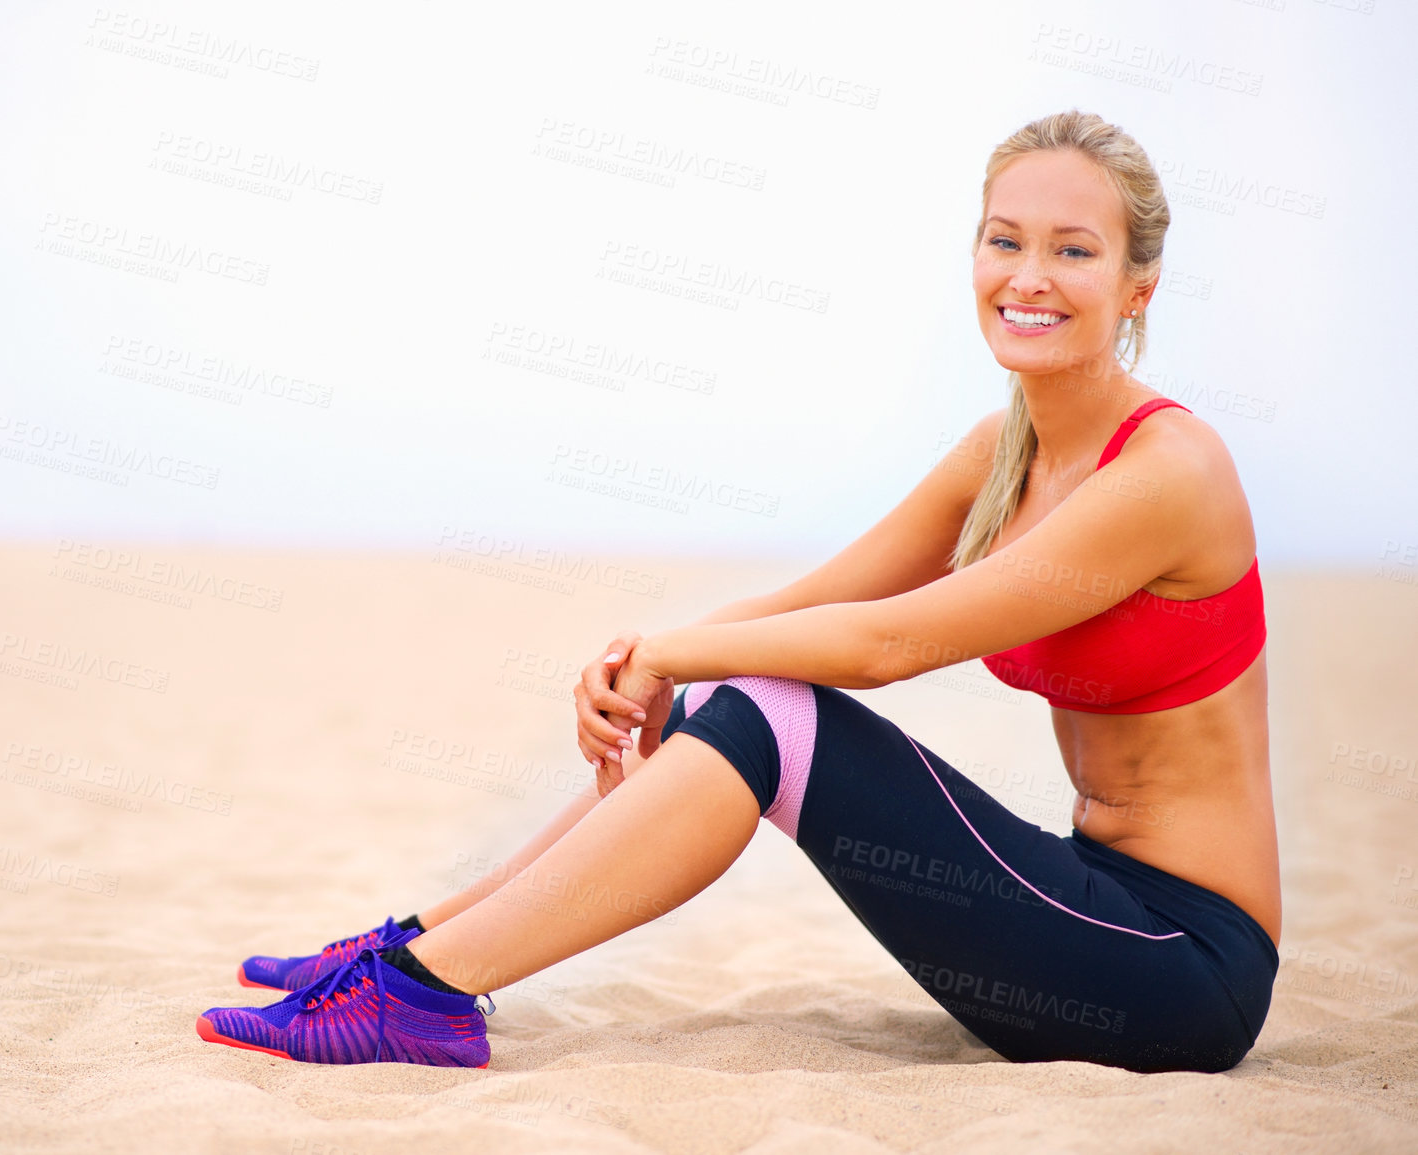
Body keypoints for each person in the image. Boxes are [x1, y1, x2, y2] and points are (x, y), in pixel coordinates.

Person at [196, 108, 1279, 1075]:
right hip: (1081, 914)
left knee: (767, 706)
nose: (1028, 276)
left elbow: (887, 646)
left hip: (1181, 968)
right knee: (741, 692)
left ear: (1138, 284)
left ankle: (423, 996)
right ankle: (420, 945)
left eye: (1073, 251)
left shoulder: (1169, 474)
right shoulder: (1004, 453)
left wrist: (681, 658)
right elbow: (818, 601)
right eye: (1005, 241)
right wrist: (641, 661)